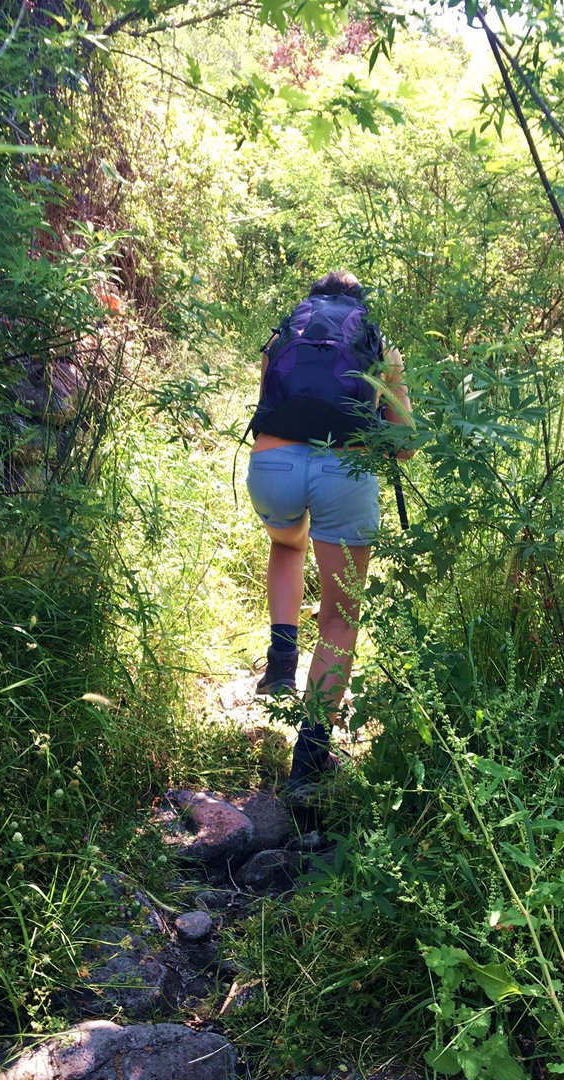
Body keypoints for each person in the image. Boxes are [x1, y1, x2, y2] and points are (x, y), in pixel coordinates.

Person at [245, 270, 413, 793]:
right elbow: (405, 441)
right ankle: (310, 758)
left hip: (271, 467)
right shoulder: (378, 344)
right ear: (359, 305)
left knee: (285, 544)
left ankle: (280, 662)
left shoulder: (281, 336)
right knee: (340, 617)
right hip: (345, 472)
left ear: (311, 301)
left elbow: (267, 409)